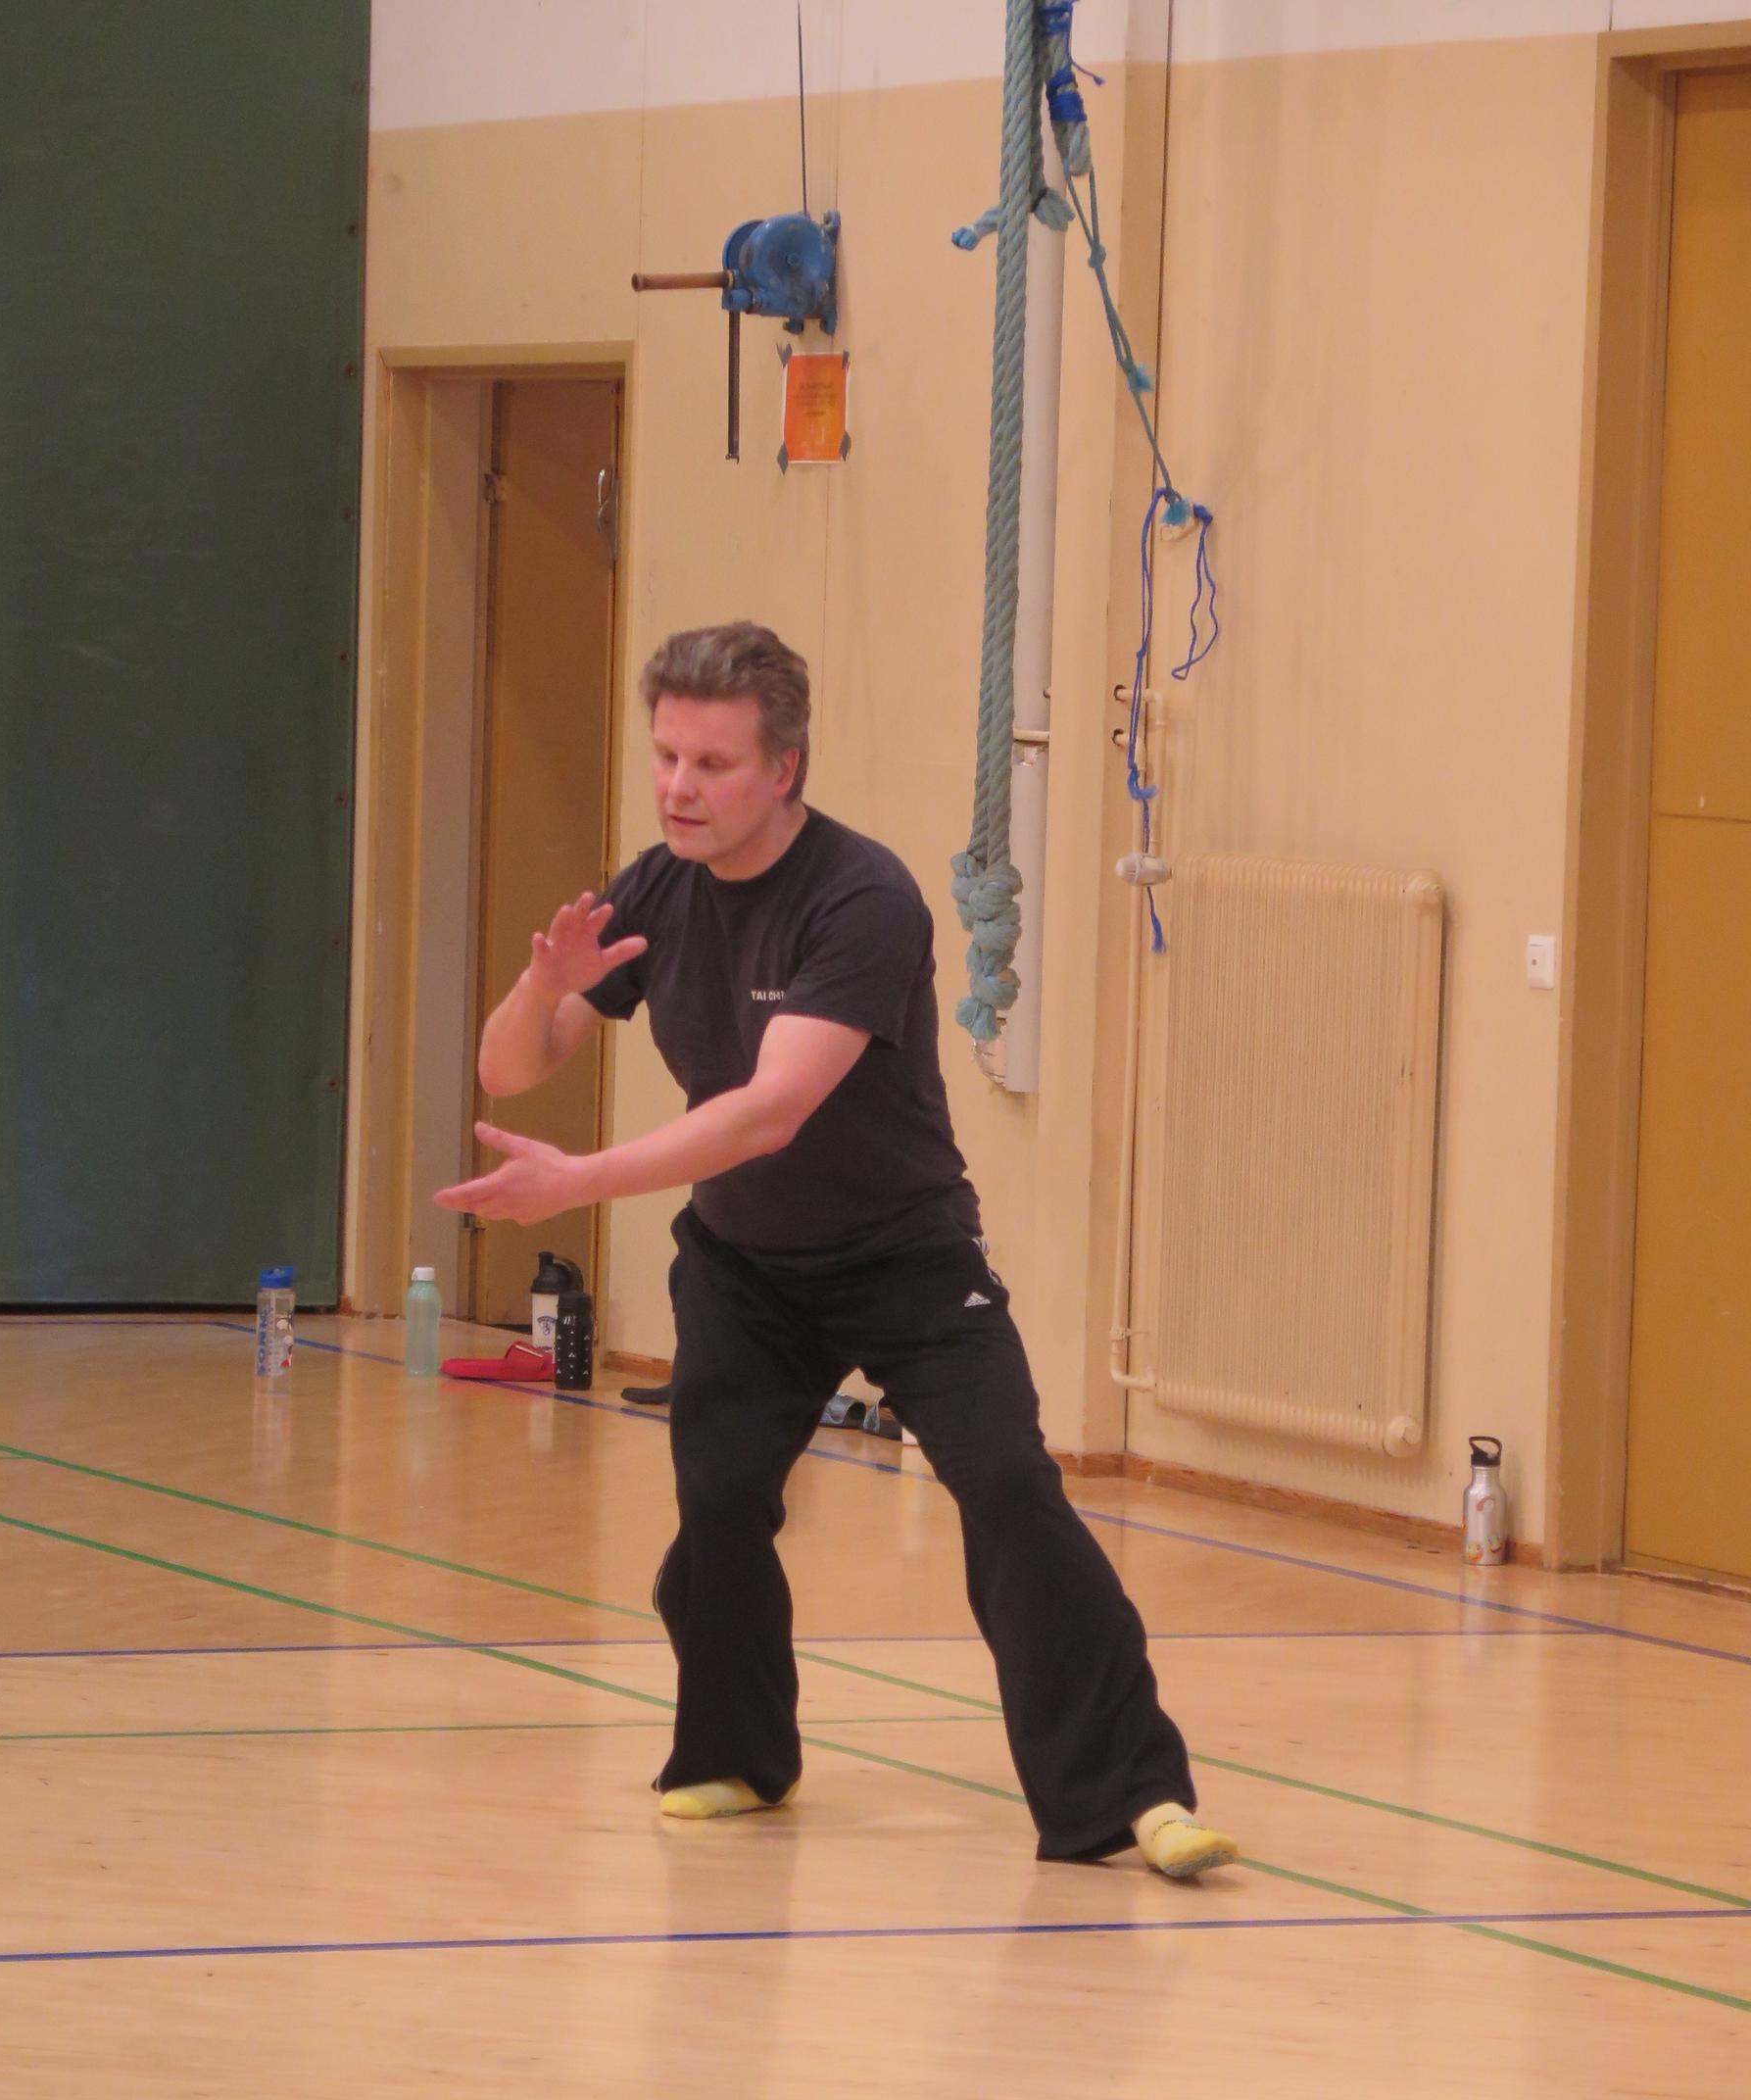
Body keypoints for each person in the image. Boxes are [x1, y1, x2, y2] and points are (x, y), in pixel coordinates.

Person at [438, 622, 1238, 1880]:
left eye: (712, 763)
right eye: (666, 756)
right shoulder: (654, 889)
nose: (678, 787)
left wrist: (579, 1182)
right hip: (747, 1267)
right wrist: (544, 989)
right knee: (719, 1500)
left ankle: (1131, 1795)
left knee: (1009, 1488)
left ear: (784, 768)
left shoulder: (863, 898)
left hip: (905, 1256)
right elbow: (507, 1069)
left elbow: (770, 1110)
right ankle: (738, 1755)